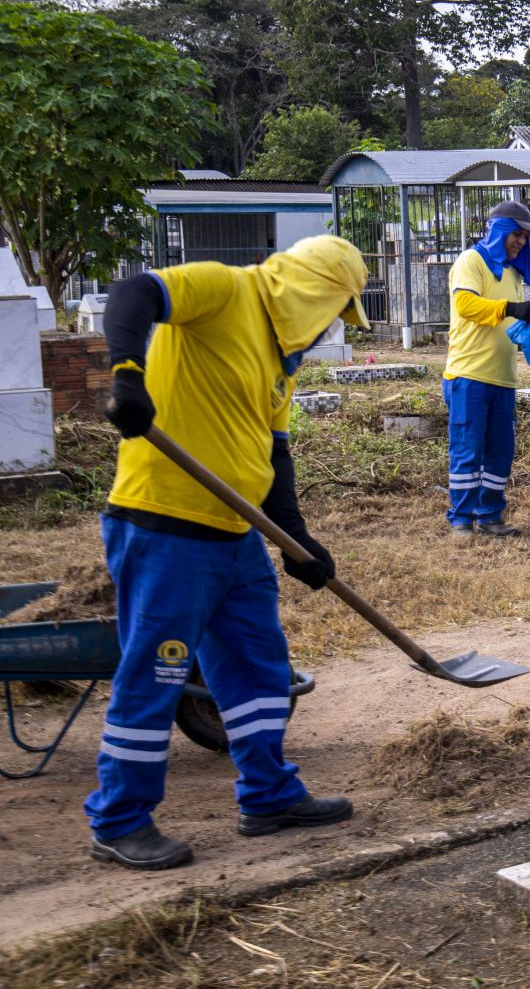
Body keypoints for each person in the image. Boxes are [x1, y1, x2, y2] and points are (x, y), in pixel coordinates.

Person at [92, 235, 371, 870]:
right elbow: (133, 293)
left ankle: (268, 796)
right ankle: (118, 821)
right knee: (158, 672)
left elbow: (274, 453)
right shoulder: (227, 289)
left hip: (236, 534)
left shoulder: (283, 359)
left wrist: (298, 539)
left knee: (259, 670)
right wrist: (127, 375)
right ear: (316, 288)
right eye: (335, 310)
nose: (331, 326)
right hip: (164, 523)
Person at [443, 199, 530, 537]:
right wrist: (512, 307)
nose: (520, 241)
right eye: (516, 234)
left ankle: (490, 516)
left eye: (524, 237)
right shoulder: (470, 262)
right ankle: (461, 520)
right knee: (467, 449)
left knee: (500, 452)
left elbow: (510, 321)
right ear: (498, 230)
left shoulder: (514, 272)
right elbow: (467, 304)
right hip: (468, 375)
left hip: (502, 378)